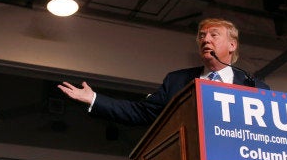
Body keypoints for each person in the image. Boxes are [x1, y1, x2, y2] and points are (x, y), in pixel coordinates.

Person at [58, 18, 270, 126]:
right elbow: (142, 113)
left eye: (214, 35)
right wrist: (94, 99)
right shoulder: (177, 81)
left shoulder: (255, 86)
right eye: (202, 36)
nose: (205, 40)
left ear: (232, 45)